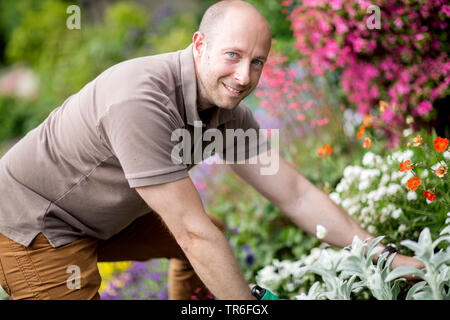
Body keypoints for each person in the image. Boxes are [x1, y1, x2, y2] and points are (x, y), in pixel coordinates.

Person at [0, 0, 422, 300]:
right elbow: (191, 232)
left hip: (94, 219)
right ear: (199, 45)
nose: (243, 76)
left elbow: (296, 193)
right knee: (201, 236)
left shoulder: (225, 111)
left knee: (210, 232)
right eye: (233, 55)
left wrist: (385, 258)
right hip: (34, 226)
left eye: (257, 62)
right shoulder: (140, 101)